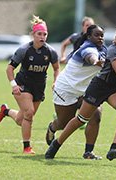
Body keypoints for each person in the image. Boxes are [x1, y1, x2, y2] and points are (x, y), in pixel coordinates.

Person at [45, 25, 116, 161]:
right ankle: (56, 144)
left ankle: (113, 148)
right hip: (98, 88)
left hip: (115, 89)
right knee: (80, 120)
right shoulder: (112, 50)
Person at [0, 15, 60, 154]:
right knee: (29, 114)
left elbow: (56, 68)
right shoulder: (24, 50)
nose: (42, 37)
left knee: (22, 119)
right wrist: (14, 85)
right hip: (23, 84)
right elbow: (10, 68)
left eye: (45, 34)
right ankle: (27, 147)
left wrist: (56, 81)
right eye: (39, 34)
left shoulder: (50, 51)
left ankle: (5, 111)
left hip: (39, 86)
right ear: (33, 35)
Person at [45, 25, 106, 160]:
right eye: (97, 35)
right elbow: (91, 57)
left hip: (86, 90)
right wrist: (96, 62)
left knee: (96, 115)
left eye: (102, 35)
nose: (100, 38)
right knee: (64, 123)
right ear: (89, 36)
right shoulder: (87, 48)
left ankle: (88, 152)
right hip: (66, 89)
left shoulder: (104, 49)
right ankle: (52, 127)